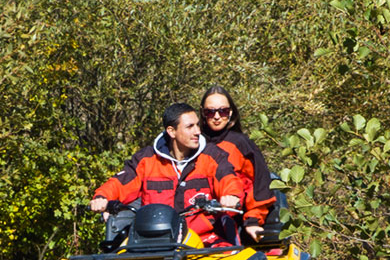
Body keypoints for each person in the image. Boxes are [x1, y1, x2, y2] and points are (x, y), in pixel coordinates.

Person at [90, 103, 245, 246]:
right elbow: (121, 182)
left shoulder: (212, 156)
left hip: (202, 239)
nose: (197, 131)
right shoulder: (147, 159)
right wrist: (102, 197)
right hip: (154, 241)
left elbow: (228, 178)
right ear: (172, 131)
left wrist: (231, 195)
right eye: (190, 126)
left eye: (197, 125)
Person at [199, 85, 275, 243]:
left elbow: (259, 184)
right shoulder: (194, 143)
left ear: (231, 112)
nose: (217, 116)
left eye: (223, 111)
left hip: (233, 218)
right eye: (210, 111)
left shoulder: (240, 144)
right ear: (202, 113)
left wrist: (253, 220)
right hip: (198, 219)